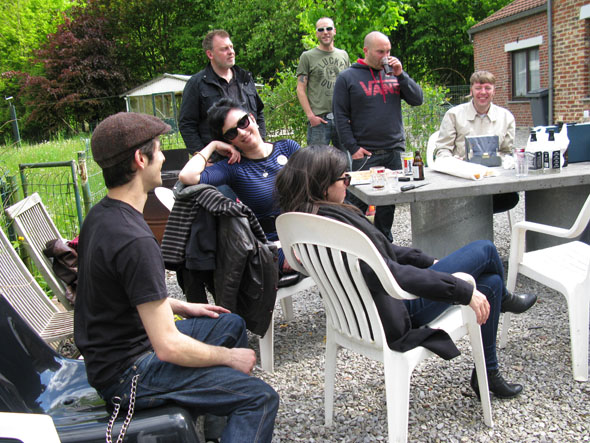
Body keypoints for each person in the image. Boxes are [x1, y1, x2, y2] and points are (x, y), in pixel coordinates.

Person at [74, 112, 279, 442]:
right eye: (158, 150)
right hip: (128, 376)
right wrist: (229, 358)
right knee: (260, 399)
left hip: (115, 356)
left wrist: (182, 306)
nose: (163, 158)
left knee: (230, 323)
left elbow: (119, 293)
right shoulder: (134, 240)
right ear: (140, 159)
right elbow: (168, 347)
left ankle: (217, 432)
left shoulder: (100, 216)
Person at [275, 144, 537, 399]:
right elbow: (392, 274)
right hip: (397, 309)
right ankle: (505, 301)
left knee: (490, 283)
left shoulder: (310, 222)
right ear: (324, 186)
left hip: (368, 310)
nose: (348, 183)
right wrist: (463, 290)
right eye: (344, 178)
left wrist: (428, 261)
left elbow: (380, 251)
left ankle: (487, 373)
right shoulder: (337, 228)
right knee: (486, 250)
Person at [179, 97, 300, 272]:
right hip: (272, 244)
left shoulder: (288, 148)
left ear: (252, 118)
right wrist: (212, 146)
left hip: (306, 232)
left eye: (243, 122)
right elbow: (187, 176)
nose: (242, 132)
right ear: (228, 141)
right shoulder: (233, 168)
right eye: (231, 133)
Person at [333, 31, 423, 242]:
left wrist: (401, 75)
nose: (386, 56)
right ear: (366, 51)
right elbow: (340, 116)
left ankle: (384, 242)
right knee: (355, 202)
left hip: (394, 149)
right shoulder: (347, 77)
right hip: (366, 153)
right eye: (380, 52)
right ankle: (352, 241)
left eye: (388, 51)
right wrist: (353, 148)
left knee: (388, 202)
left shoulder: (394, 74)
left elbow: (417, 99)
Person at [434, 70, 519, 213]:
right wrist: (452, 162)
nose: (483, 92)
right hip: (461, 179)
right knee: (463, 202)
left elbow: (506, 152)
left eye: (487, 88)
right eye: (478, 88)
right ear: (471, 91)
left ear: (494, 91)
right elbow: (442, 150)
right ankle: (472, 221)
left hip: (493, 178)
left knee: (510, 198)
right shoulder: (453, 114)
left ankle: (475, 221)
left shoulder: (506, 117)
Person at [179, 29, 265, 155]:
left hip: (252, 156)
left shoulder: (245, 78)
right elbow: (187, 124)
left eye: (231, 47)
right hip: (220, 160)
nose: (231, 52)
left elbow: (259, 112)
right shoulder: (196, 84)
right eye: (224, 49)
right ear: (210, 54)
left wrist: (261, 142)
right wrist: (205, 157)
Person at [296, 17, 349, 149]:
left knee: (347, 160)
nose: (325, 32)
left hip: (342, 119)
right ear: (316, 34)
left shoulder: (343, 55)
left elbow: (349, 88)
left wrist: (350, 115)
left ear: (334, 31)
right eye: (321, 30)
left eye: (328, 28)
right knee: (316, 160)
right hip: (319, 121)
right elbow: (300, 89)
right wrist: (311, 116)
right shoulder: (307, 57)